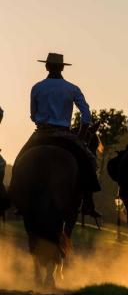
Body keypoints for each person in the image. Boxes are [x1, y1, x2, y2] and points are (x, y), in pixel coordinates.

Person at [16, 52, 101, 217]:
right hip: (64, 134)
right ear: (62, 67)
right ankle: (88, 203)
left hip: (41, 133)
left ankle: (19, 200)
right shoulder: (72, 88)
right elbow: (86, 115)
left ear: (46, 66)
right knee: (89, 161)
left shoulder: (37, 87)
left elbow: (33, 115)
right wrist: (82, 135)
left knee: (20, 160)